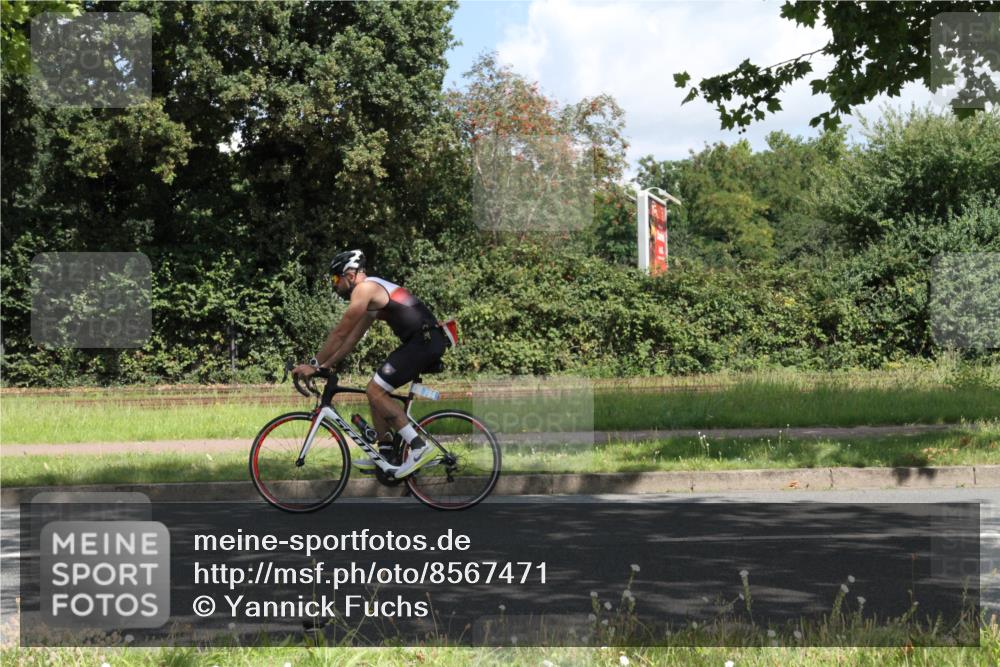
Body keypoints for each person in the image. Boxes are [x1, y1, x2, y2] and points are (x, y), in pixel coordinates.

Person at [292, 249, 450, 478]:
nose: (334, 285)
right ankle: (387, 455)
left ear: (351, 275)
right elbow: (350, 340)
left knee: (375, 390)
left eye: (336, 278)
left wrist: (314, 363)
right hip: (422, 341)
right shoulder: (372, 298)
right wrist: (326, 366)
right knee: (376, 390)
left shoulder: (365, 289)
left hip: (423, 342)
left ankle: (418, 447)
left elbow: (339, 332)